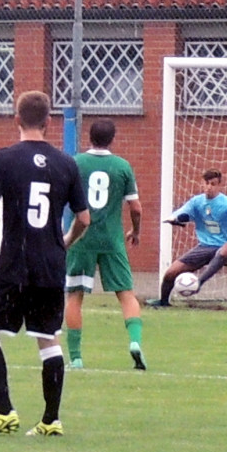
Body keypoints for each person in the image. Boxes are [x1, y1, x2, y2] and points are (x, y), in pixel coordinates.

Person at [0, 91, 90, 437]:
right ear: (49, 123)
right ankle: (51, 420)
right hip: (50, 265)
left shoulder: (3, 159)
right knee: (49, 339)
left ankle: (4, 412)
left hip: (13, 265)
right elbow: (84, 218)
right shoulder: (67, 164)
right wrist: (63, 242)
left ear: (16, 119)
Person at [64, 119, 145, 370]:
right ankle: (135, 342)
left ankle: (76, 358)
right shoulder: (122, 166)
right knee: (126, 293)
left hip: (81, 237)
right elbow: (136, 208)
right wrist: (136, 231)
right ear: (112, 138)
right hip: (112, 239)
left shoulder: (75, 163)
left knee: (75, 296)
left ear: (89, 137)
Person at [146, 169, 227, 307]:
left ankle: (198, 283)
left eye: (213, 184)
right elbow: (182, 213)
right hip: (204, 247)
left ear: (219, 185)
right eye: (207, 183)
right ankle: (163, 302)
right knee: (171, 272)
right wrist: (174, 219)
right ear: (202, 183)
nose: (209, 187)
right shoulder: (197, 202)